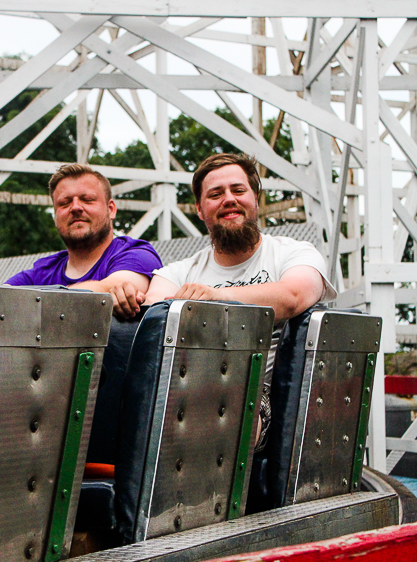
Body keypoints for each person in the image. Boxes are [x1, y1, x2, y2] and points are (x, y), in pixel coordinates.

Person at [111, 152, 337, 447]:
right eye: (215, 194)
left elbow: (295, 295)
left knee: (222, 412)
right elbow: (152, 312)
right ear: (200, 209)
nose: (228, 199)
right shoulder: (178, 272)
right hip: (179, 390)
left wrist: (219, 296)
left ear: (255, 198)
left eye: (238, 190)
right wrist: (124, 299)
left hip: (255, 394)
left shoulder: (293, 253)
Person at [6, 163, 162, 313]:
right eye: (64, 203)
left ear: (111, 209)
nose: (75, 207)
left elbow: (105, 291)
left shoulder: (137, 255)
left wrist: (28, 305)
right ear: (55, 215)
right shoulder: (39, 274)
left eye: (87, 199)